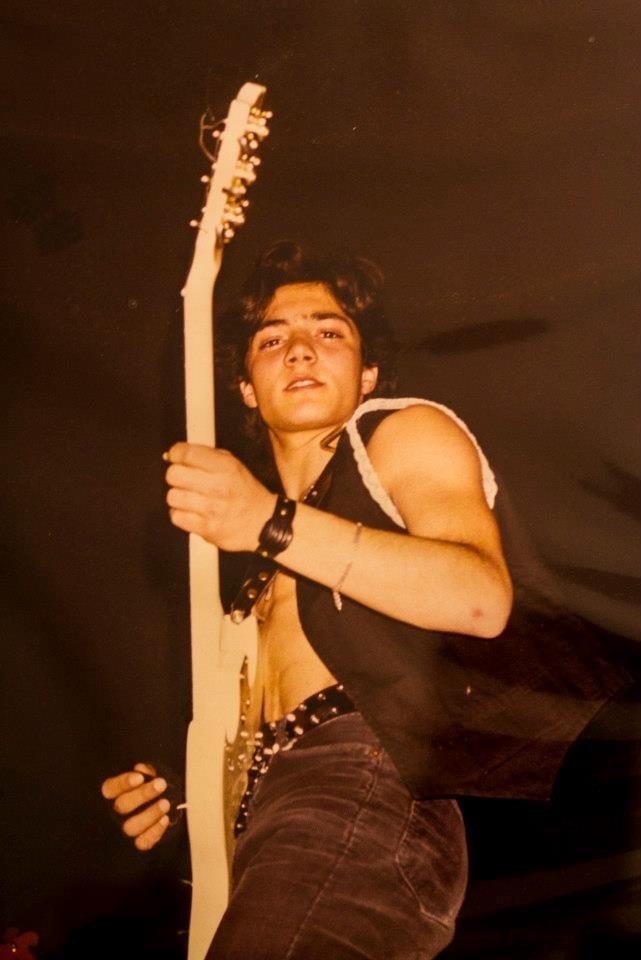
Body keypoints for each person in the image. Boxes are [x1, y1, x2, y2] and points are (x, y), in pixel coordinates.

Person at [102, 242, 632, 959]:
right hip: (273, 817)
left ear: (368, 373)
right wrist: (193, 794)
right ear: (246, 388)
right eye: (272, 340)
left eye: (329, 332)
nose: (300, 350)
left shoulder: (400, 431)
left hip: (363, 784)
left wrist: (268, 521)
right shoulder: (256, 566)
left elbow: (479, 597)